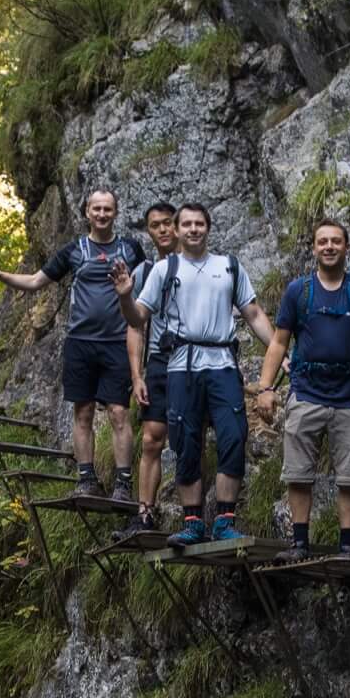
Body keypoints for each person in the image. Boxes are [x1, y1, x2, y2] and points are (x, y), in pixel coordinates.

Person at [0, 189, 150, 498]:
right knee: (82, 413)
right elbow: (34, 282)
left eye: (108, 209)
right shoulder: (74, 250)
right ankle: (86, 480)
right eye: (97, 209)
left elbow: (150, 291)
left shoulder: (131, 249)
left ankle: (122, 484)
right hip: (80, 343)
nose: (102, 214)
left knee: (119, 413)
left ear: (116, 213)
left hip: (117, 343)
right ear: (87, 213)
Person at [122, 204, 271, 546]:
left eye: (199, 223)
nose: (193, 229)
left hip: (222, 361)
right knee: (186, 441)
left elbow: (253, 313)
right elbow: (136, 318)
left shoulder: (229, 266)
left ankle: (224, 519)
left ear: (208, 227)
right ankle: (192, 522)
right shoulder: (164, 269)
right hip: (181, 365)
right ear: (176, 229)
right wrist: (124, 297)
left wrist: (282, 354)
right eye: (186, 224)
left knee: (233, 435)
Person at [254, 220, 350, 557]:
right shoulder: (298, 291)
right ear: (314, 248)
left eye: (336, 242)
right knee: (298, 471)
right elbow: (279, 342)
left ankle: (347, 545)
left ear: (347, 247)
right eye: (322, 242)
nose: (329, 247)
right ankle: (299, 542)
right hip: (306, 390)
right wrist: (265, 387)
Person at [127, 203, 183, 528]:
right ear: (148, 231)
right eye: (154, 225)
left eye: (167, 223)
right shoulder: (144, 273)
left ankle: (191, 516)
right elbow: (134, 326)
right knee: (151, 438)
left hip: (192, 361)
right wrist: (137, 375)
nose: (162, 230)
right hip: (159, 362)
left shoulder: (197, 266)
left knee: (188, 436)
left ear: (177, 226)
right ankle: (145, 512)